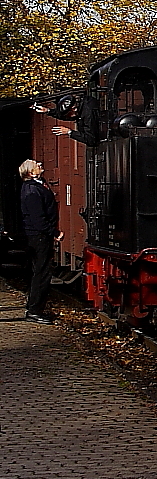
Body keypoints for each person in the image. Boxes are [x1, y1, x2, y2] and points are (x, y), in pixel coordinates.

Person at [19, 159, 61, 324]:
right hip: (39, 236)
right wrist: (54, 232)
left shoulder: (38, 185)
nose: (40, 165)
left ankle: (35, 308)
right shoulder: (31, 191)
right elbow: (38, 218)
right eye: (36, 165)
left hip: (41, 234)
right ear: (30, 173)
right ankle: (34, 311)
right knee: (41, 273)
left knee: (41, 272)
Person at [32, 94, 99, 147]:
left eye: (68, 114)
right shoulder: (82, 104)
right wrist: (48, 111)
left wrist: (69, 132)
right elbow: (67, 115)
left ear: (73, 109)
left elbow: (91, 140)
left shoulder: (88, 114)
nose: (68, 116)